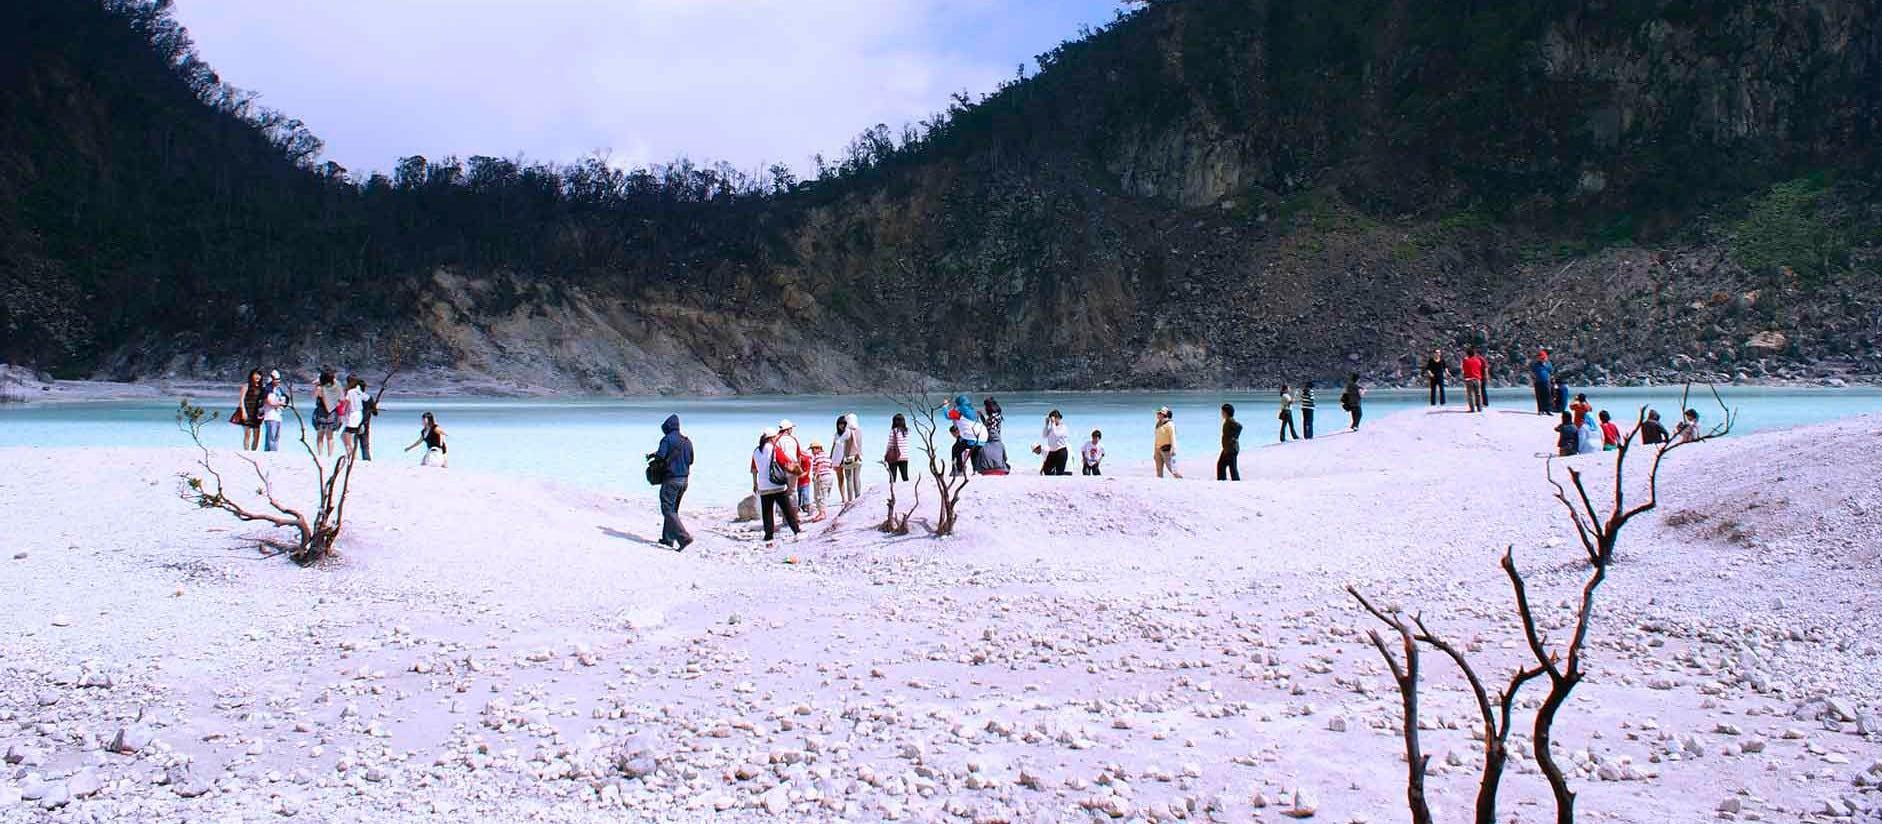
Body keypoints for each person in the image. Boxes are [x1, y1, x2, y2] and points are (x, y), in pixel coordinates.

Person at [749, 429, 800, 544]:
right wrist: (797, 471)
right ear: (771, 438)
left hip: (763, 486)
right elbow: (785, 462)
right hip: (776, 484)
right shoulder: (774, 449)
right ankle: (796, 531)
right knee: (787, 510)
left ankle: (769, 536)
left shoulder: (756, 451)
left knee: (767, 512)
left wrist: (755, 484)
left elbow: (754, 469)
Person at [777, 419, 810, 514]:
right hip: (793, 467)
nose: (792, 430)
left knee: (782, 492)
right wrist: (798, 469)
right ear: (787, 429)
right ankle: (795, 515)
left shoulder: (777, 439)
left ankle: (785, 516)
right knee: (793, 491)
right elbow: (798, 455)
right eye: (791, 428)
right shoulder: (793, 439)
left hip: (782, 468)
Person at [947, 395, 985, 474]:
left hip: (971, 437)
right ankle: (976, 470)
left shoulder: (959, 411)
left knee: (955, 449)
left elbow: (947, 415)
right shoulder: (973, 411)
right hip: (983, 437)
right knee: (974, 451)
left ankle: (958, 470)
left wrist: (945, 407)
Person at [341, 375, 369, 461]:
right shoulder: (358, 390)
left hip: (352, 415)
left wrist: (342, 413)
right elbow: (367, 398)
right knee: (346, 436)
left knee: (346, 435)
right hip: (358, 414)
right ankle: (351, 454)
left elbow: (347, 403)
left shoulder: (350, 392)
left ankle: (352, 455)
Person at [312, 369, 340, 456]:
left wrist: (317, 385)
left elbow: (314, 396)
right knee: (330, 436)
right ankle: (330, 455)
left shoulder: (320, 388)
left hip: (321, 412)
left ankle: (320, 454)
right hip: (332, 412)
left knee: (320, 435)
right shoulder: (335, 387)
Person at [237, 369, 264, 451]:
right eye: (256, 374)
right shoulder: (246, 386)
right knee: (247, 433)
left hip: (257, 413)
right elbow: (241, 400)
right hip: (247, 411)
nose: (258, 376)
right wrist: (243, 412)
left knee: (257, 435)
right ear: (251, 375)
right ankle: (246, 451)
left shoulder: (261, 387)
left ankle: (254, 451)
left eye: (259, 375)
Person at [261, 370, 288, 452]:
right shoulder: (268, 389)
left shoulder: (279, 390)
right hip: (270, 415)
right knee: (271, 436)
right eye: (276, 379)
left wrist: (281, 404)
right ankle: (270, 452)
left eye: (279, 379)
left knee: (276, 436)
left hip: (278, 415)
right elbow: (268, 401)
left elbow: (285, 399)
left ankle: (273, 451)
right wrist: (279, 404)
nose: (278, 381)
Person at [839, 413, 863, 501]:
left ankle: (850, 499)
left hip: (849, 458)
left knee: (849, 479)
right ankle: (858, 497)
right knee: (857, 477)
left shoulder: (847, 431)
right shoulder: (860, 430)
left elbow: (842, 444)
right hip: (858, 457)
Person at [1038, 410, 1071, 475]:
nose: (1053, 420)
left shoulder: (1063, 427)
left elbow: (1056, 434)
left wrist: (1053, 424)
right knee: (1046, 470)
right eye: (1052, 419)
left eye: (1055, 418)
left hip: (1061, 451)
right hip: (1052, 452)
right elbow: (1044, 435)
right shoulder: (1052, 428)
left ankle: (1066, 474)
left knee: (1059, 472)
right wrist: (1046, 425)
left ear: (1059, 418)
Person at [1154, 406, 1182, 478]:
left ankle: (1180, 479)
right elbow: (1156, 438)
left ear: (1163, 414)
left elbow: (1173, 437)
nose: (1157, 415)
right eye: (1157, 413)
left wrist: (1173, 449)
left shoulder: (1170, 424)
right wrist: (1155, 452)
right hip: (1158, 449)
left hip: (1166, 449)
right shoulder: (1158, 424)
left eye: (1159, 413)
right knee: (1159, 471)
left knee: (1172, 469)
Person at [1217, 403, 1242, 481]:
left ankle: (1234, 481)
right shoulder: (1228, 421)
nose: (1221, 414)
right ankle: (1222, 480)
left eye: (1222, 412)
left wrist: (1234, 438)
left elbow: (1239, 427)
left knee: (1232, 468)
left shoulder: (1230, 421)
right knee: (1221, 465)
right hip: (1227, 448)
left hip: (1231, 449)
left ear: (1226, 413)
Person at [810, 441, 834, 520]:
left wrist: (816, 475)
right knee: (823, 495)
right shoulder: (826, 456)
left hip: (822, 477)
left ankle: (822, 513)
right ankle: (821, 512)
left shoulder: (818, 456)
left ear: (818, 448)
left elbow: (819, 465)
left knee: (819, 496)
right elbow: (830, 465)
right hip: (829, 477)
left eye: (813, 449)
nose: (812, 451)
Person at [884, 414, 911, 482]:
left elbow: (890, 444)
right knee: (905, 477)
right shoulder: (906, 431)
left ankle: (892, 491)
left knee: (893, 477)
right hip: (904, 456)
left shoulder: (893, 431)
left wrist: (886, 454)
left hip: (894, 456)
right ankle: (908, 490)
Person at [829, 416, 849, 503]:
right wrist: (830, 458)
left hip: (845, 458)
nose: (842, 426)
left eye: (844, 424)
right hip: (836, 459)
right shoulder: (836, 434)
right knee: (840, 479)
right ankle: (843, 498)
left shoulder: (848, 433)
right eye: (840, 424)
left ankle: (850, 496)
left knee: (848, 478)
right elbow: (833, 447)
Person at [1461, 347, 1487, 413]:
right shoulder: (1478, 360)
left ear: (1467, 354)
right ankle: (1479, 408)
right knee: (1478, 394)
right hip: (1477, 378)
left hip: (1469, 379)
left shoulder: (1466, 360)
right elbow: (1480, 367)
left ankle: (1472, 409)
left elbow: (1464, 369)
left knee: (1470, 395)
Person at [1530, 350, 1555, 415]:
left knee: (1547, 395)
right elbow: (1532, 372)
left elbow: (1551, 372)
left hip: (1546, 382)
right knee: (1539, 396)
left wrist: (1552, 379)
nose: (1542, 359)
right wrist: (1533, 378)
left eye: (1543, 358)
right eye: (1541, 358)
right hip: (1538, 382)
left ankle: (1548, 409)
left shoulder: (1548, 364)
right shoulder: (1535, 365)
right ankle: (1541, 410)